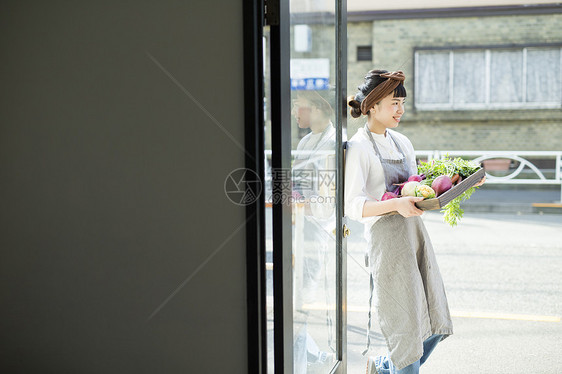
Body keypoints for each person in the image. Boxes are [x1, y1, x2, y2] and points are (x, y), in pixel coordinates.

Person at [344, 70, 484, 374]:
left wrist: (459, 183)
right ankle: (391, 366)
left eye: (402, 103)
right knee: (405, 329)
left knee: (433, 319)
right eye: (394, 103)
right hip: (386, 243)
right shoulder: (358, 148)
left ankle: (383, 366)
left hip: (415, 235)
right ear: (371, 106)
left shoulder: (402, 142)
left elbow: (418, 184)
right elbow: (352, 206)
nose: (400, 110)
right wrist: (396, 204)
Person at [291, 90, 337, 373]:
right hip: (299, 227)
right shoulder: (307, 140)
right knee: (296, 296)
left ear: (318, 109)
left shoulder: (332, 144)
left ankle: (302, 364)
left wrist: (298, 203)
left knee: (301, 300)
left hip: (315, 231)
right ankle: (313, 356)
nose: (296, 114)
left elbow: (327, 203)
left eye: (301, 108)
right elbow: (297, 183)